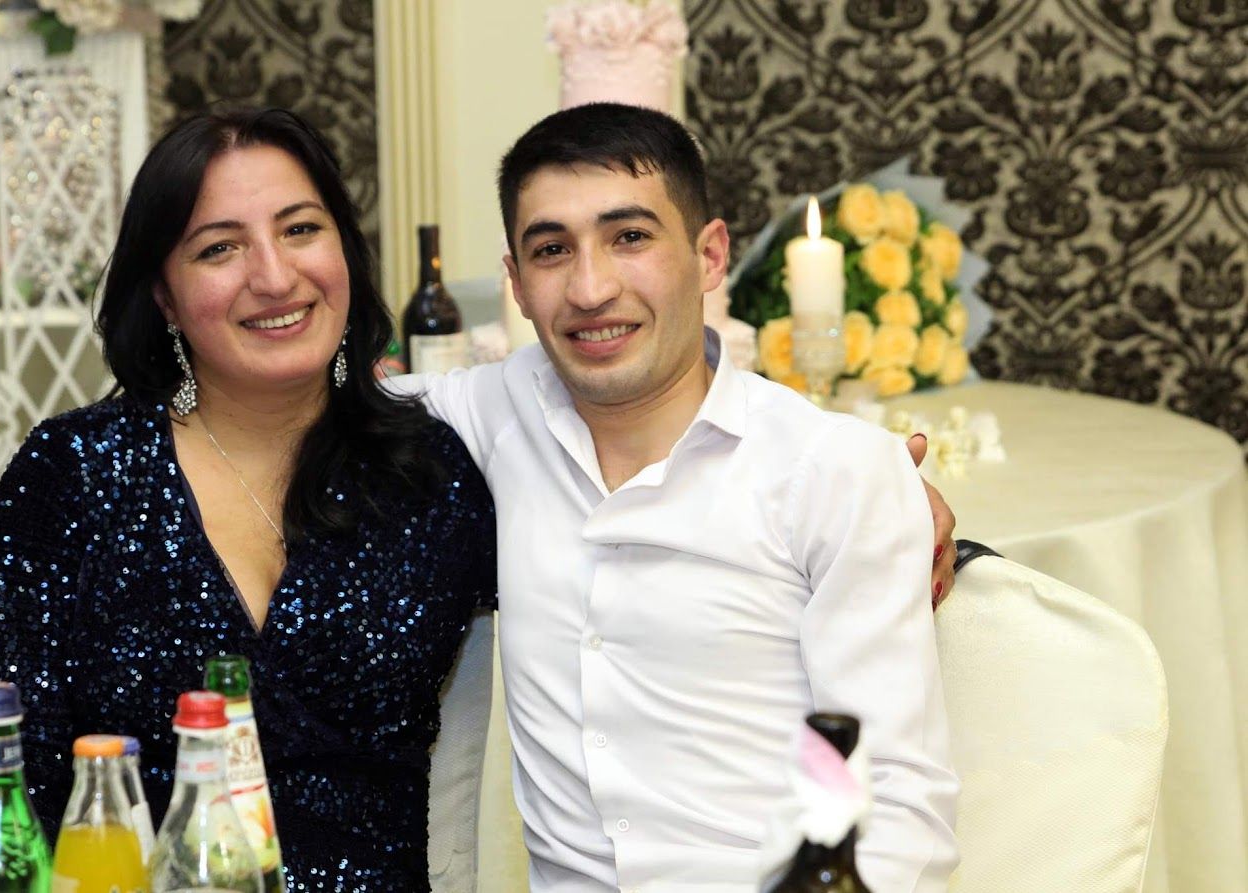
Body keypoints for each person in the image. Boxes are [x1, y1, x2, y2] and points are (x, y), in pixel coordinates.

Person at [392, 103, 959, 891]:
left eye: (629, 236)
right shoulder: (494, 414)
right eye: (551, 250)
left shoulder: (828, 472)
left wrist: (891, 497)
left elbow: (894, 802)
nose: (590, 288)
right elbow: (299, 405)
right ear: (515, 283)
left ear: (710, 253)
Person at [0, 107, 498, 892]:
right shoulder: (75, 475)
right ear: (163, 296)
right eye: (218, 248)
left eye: (300, 229)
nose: (273, 276)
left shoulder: (428, 475)